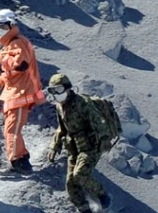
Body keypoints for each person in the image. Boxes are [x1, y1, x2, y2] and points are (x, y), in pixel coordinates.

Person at [0, 9, 45, 176]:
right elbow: (12, 71)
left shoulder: (17, 43)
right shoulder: (11, 44)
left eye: (2, 25)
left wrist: (4, 65)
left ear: (11, 24)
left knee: (12, 130)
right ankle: (21, 160)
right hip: (14, 92)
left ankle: (16, 163)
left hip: (20, 93)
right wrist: (0, 80)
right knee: (11, 129)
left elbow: (21, 65)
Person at [47, 74, 112, 213]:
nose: (56, 94)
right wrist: (55, 146)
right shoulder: (60, 107)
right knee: (71, 186)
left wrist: (105, 138)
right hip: (74, 148)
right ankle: (84, 209)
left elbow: (98, 120)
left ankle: (102, 193)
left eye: (58, 89)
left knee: (80, 176)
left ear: (67, 88)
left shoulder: (82, 102)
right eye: (52, 90)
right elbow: (62, 128)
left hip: (90, 147)